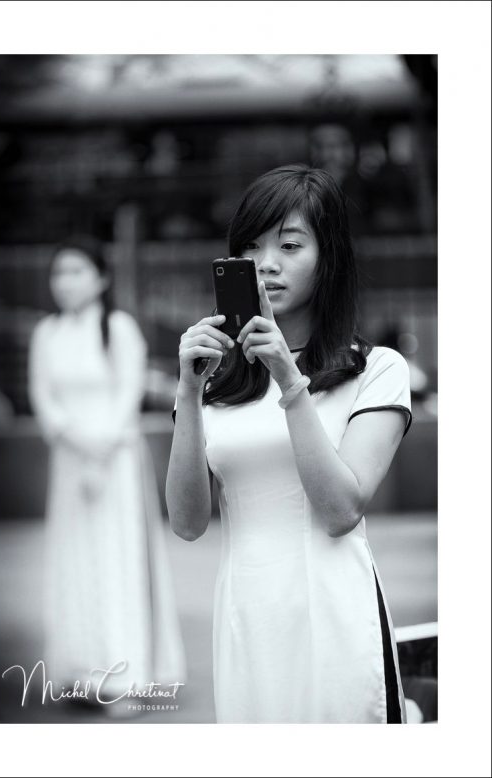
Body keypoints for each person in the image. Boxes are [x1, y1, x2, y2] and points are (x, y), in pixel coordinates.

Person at [166, 164, 412, 724]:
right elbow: (186, 521)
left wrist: (289, 379)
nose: (267, 263)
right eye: (251, 247)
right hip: (247, 616)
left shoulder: (375, 369)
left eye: (290, 244)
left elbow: (340, 510)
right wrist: (187, 386)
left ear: (329, 258)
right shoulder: (212, 381)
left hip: (336, 613)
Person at [28, 235, 186, 717]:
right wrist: (76, 445)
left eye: (76, 271)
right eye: (59, 272)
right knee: (76, 561)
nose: (66, 282)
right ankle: (81, 670)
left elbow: (126, 398)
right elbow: (43, 399)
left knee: (119, 560)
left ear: (101, 278)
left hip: (115, 463)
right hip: (70, 463)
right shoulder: (47, 333)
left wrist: (99, 455)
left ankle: (127, 674)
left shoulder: (118, 327)